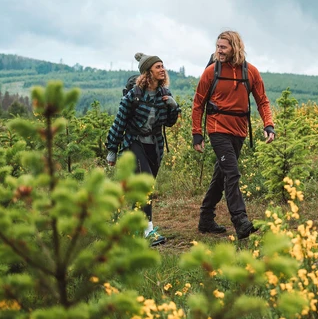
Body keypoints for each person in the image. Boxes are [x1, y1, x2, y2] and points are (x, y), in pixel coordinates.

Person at [192, 30, 275, 239]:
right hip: (217, 127)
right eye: (217, 46)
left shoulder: (251, 72)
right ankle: (241, 221)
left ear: (234, 48)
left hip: (239, 130)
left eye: (223, 47)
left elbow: (262, 100)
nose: (218, 51)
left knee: (221, 175)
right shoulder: (211, 72)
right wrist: (197, 134)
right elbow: (198, 103)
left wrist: (269, 125)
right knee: (232, 172)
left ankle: (206, 219)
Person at [106, 52, 181, 247]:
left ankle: (131, 227)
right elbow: (119, 122)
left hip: (154, 146)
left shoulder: (164, 95)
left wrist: (173, 107)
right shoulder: (134, 96)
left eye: (163, 66)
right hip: (134, 143)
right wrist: (112, 149)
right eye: (158, 67)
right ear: (148, 72)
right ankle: (149, 231)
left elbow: (170, 123)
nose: (162, 69)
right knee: (145, 185)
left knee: (142, 190)